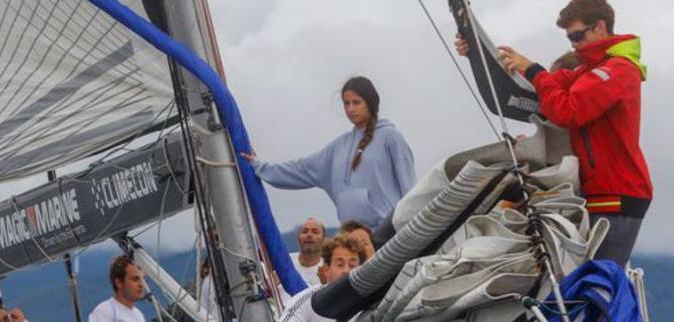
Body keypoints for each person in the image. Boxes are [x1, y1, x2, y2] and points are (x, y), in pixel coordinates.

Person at [456, 0, 651, 264]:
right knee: (580, 282)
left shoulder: (618, 71)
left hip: (618, 194)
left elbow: (567, 109)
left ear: (601, 27)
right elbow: (532, 87)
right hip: (595, 193)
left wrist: (534, 70)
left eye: (577, 35)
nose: (573, 44)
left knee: (599, 284)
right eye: (569, 38)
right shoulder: (587, 71)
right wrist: (478, 57)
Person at [243, 76, 416, 230]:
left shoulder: (390, 137)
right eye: (346, 103)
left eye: (356, 102)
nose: (350, 109)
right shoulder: (338, 147)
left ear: (370, 103)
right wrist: (258, 166)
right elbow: (300, 169)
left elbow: (411, 192)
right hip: (351, 240)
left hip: (389, 233)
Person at [89, 254, 149, 322]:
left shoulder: (139, 314)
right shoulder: (106, 310)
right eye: (135, 279)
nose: (141, 284)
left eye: (143, 279)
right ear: (119, 283)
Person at [290, 218, 326, 288]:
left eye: (315, 232)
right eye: (304, 231)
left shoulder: (329, 269)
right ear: (298, 238)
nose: (309, 235)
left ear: (323, 239)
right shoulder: (284, 263)